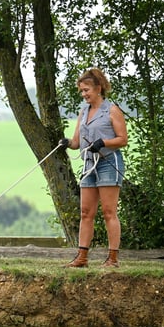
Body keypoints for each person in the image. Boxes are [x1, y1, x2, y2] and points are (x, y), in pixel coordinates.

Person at [58, 67, 128, 268]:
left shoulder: (111, 110)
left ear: (98, 88)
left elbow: (123, 139)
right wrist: (67, 143)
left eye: (86, 89)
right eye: (81, 91)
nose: (84, 94)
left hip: (108, 163)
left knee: (108, 212)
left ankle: (112, 258)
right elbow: (77, 142)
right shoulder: (84, 111)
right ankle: (82, 258)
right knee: (86, 212)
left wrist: (104, 142)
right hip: (89, 165)